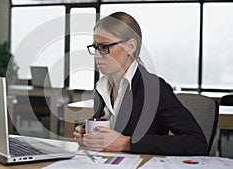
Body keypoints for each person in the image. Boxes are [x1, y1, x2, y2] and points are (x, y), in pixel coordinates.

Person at [73, 12, 208, 155]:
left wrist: (126, 143)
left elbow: (196, 142)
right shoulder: (101, 88)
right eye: (95, 47)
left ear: (130, 46)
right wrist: (87, 135)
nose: (97, 55)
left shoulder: (154, 88)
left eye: (105, 47)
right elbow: (112, 133)